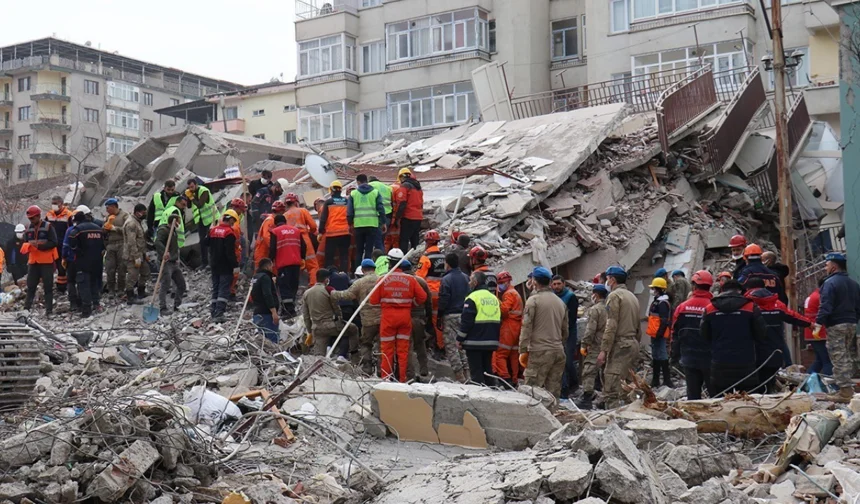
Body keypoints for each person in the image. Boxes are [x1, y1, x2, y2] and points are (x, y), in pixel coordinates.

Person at [745, 277, 811, 393]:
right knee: (770, 378)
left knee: (756, 381)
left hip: (754, 350)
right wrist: (809, 323)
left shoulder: (747, 304)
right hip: (775, 349)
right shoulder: (777, 303)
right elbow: (793, 316)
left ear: (749, 288)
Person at [701, 280, 767, 395]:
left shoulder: (710, 308)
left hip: (719, 362)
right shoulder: (751, 307)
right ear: (740, 291)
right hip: (746, 362)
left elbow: (704, 335)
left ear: (722, 291)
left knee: (720, 401)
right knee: (748, 401)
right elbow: (761, 333)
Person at [370, 250, 427, 382]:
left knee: (387, 350)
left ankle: (386, 379)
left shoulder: (383, 279)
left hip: (388, 319)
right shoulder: (411, 280)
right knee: (403, 351)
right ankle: (402, 379)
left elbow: (373, 300)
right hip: (405, 318)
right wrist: (412, 303)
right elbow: (422, 297)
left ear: (389, 262)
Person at [815, 252, 860, 401]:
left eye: (826, 265)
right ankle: (848, 388)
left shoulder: (830, 283)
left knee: (838, 356)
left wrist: (818, 323)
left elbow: (825, 305)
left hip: (836, 324)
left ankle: (845, 391)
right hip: (851, 323)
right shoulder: (854, 284)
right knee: (849, 355)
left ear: (833, 267)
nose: (825, 268)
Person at [519, 267, 568, 398]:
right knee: (553, 393)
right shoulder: (560, 302)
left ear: (534, 281)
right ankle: (551, 416)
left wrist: (522, 350)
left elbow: (526, 327)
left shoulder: (533, 300)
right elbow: (565, 331)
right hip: (558, 352)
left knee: (531, 392)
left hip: (539, 351)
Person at [598, 266, 641, 408]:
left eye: (607, 279)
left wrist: (604, 350)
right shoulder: (632, 296)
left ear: (612, 280)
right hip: (632, 344)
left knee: (611, 388)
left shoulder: (615, 296)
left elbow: (611, 325)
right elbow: (638, 327)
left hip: (621, 345)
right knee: (628, 387)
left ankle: (613, 424)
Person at [670, 270, 715, 400]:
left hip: (689, 358)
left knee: (693, 396)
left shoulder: (682, 307)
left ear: (694, 286)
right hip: (710, 359)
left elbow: (675, 334)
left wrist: (674, 356)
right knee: (715, 397)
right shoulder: (714, 307)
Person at [331, 259, 380, 375]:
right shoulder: (381, 280)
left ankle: (367, 369)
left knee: (366, 344)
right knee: (381, 345)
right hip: (383, 319)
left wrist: (333, 293)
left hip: (368, 320)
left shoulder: (360, 283)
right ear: (374, 269)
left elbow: (348, 295)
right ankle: (382, 371)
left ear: (363, 270)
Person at [302, 270, 360, 362]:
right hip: (330, 325)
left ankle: (319, 372)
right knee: (353, 329)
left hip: (316, 328)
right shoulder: (328, 290)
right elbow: (336, 308)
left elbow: (306, 315)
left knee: (319, 357)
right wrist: (340, 319)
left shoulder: (307, 293)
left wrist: (310, 332)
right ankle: (354, 357)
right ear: (326, 279)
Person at [457, 270, 501, 386]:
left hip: (475, 341)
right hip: (491, 341)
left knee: (476, 373)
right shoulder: (493, 298)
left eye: (471, 280)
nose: (469, 283)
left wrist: (459, 339)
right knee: (487, 370)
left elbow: (466, 322)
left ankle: (479, 397)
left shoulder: (472, 298)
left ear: (475, 282)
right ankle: (492, 392)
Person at [437, 252, 471, 383]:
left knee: (451, 347)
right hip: (464, 315)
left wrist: (439, 315)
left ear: (448, 264)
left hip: (450, 315)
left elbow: (444, 299)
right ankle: (468, 375)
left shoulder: (447, 279)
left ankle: (460, 377)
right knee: (462, 346)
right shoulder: (466, 278)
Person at [574, 284, 608, 410]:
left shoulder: (595, 310)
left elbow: (590, 329)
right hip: (608, 345)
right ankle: (606, 398)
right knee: (606, 372)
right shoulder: (610, 308)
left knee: (589, 370)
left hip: (596, 345)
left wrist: (584, 344)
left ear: (596, 295)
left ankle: (587, 397)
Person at [22, 205, 58, 316]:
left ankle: (49, 311)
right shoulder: (28, 227)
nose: (31, 220)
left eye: (33, 218)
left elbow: (54, 242)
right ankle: (26, 310)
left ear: (38, 216)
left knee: (48, 287)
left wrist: (39, 246)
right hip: (33, 262)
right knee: (31, 286)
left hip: (46, 262)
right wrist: (26, 246)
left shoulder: (48, 227)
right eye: (29, 218)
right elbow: (25, 240)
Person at [67, 211, 105, 318]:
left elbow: (72, 243)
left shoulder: (78, 230)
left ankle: (86, 310)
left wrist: (78, 252)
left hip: (83, 262)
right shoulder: (98, 228)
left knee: (83, 285)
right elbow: (104, 243)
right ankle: (96, 304)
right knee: (94, 283)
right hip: (97, 261)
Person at [269, 213, 305, 317]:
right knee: (293, 285)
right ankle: (290, 307)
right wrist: (302, 257)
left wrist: (270, 261)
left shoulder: (275, 231)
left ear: (276, 223)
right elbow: (303, 246)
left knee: (284, 287)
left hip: (283, 263)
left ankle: (289, 311)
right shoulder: (296, 230)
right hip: (296, 263)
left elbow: (272, 249)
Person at [208, 211, 240, 323]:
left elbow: (205, 243)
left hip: (214, 264)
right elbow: (230, 252)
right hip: (225, 266)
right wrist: (235, 265)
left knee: (216, 288)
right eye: (233, 220)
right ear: (230, 219)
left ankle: (213, 311)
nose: (233, 223)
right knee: (223, 289)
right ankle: (219, 313)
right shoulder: (229, 233)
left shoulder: (213, 231)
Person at [348, 174, 386, 267]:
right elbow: (380, 208)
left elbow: (350, 212)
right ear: (367, 181)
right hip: (372, 224)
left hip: (358, 226)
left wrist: (350, 224)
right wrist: (383, 222)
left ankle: (358, 271)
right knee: (368, 250)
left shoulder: (353, 194)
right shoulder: (375, 192)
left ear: (358, 182)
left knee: (359, 250)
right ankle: (367, 270)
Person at [492, 271, 523, 386]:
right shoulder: (515, 293)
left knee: (501, 353)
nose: (500, 285)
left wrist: (497, 302)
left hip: (509, 325)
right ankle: (514, 379)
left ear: (508, 281)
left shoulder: (509, 294)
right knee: (514, 354)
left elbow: (504, 310)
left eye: (501, 283)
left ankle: (504, 378)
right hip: (517, 326)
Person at [417, 230, 446, 349]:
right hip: (442, 293)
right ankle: (441, 345)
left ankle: (424, 343)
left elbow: (419, 277)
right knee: (438, 320)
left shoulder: (426, 258)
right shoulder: (444, 257)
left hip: (429, 294)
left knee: (422, 318)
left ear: (427, 243)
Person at [553, 275, 580, 399]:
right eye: (554, 284)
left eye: (559, 284)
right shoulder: (553, 297)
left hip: (568, 333)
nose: (557, 286)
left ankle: (574, 384)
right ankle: (564, 388)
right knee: (560, 362)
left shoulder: (570, 297)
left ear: (563, 284)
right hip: (556, 333)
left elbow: (571, 320)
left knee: (568, 361)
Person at [284, 192, 320, 286]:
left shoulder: (284, 216)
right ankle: (313, 286)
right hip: (304, 239)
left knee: (295, 266)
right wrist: (310, 232)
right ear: (296, 202)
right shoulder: (302, 211)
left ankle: (296, 288)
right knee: (312, 265)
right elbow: (313, 226)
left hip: (290, 243)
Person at [155, 213, 186, 315]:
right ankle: (162, 308)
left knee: (181, 284)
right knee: (165, 284)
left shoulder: (174, 232)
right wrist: (164, 252)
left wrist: (176, 257)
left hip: (174, 262)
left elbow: (174, 247)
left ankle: (177, 305)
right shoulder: (163, 230)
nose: (179, 223)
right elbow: (158, 242)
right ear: (174, 221)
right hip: (166, 262)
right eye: (178, 221)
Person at [186, 178, 220, 268]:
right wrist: (188, 197)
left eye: (192, 187)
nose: (191, 189)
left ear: (196, 184)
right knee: (202, 241)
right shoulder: (191, 193)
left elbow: (200, 204)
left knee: (213, 240)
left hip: (212, 218)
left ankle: (215, 261)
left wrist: (191, 197)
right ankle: (205, 263)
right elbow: (189, 206)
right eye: (189, 188)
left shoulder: (204, 191)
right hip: (201, 220)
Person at [407, 266, 433, 381]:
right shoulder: (421, 281)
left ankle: (409, 372)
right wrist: (428, 318)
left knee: (408, 345)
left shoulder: (402, 281)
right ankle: (424, 369)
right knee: (420, 344)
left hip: (406, 317)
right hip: (419, 318)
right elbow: (428, 301)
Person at [318, 180, 351, 273]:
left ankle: (330, 275)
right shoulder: (346, 201)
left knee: (329, 257)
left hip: (332, 234)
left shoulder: (328, 202)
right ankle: (344, 274)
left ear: (331, 191)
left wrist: (320, 231)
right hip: (345, 233)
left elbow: (323, 218)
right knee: (344, 256)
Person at [646, 277, 673, 388]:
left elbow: (664, 320)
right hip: (655, 333)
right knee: (656, 356)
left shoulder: (662, 303)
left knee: (662, 355)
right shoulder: (657, 301)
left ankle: (667, 380)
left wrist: (659, 333)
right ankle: (655, 380)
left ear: (659, 289)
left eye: (654, 288)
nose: (652, 290)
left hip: (659, 334)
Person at [804, 278, 832, 376]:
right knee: (827, 360)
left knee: (820, 360)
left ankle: (806, 381)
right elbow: (826, 312)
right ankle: (831, 385)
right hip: (819, 331)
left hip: (812, 330)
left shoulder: (812, 296)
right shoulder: (821, 297)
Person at [123, 204, 149, 305]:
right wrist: (136, 256)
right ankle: (130, 296)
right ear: (138, 212)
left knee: (145, 272)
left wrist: (143, 254)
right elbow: (131, 242)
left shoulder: (137, 222)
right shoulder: (131, 224)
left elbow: (140, 240)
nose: (144, 215)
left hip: (140, 253)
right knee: (133, 275)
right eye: (143, 213)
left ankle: (141, 292)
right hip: (132, 255)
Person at [45, 196, 72, 294]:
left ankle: (64, 287)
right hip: (52, 245)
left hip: (64, 244)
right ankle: (58, 286)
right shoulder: (49, 215)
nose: (54, 205)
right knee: (53, 266)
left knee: (64, 265)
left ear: (61, 203)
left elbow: (71, 230)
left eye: (56, 203)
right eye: (53, 203)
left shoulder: (68, 215)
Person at [103, 198, 129, 297]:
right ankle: (111, 290)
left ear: (114, 206)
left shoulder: (125, 216)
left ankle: (121, 289)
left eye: (108, 208)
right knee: (110, 268)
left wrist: (114, 228)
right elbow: (104, 233)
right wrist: (105, 228)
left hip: (122, 243)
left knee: (122, 267)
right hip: (110, 245)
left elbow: (128, 230)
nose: (106, 210)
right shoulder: (107, 217)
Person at [393, 168, 424, 253]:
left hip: (408, 217)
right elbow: (421, 203)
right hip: (418, 217)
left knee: (404, 240)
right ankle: (415, 258)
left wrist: (397, 219)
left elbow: (402, 203)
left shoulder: (405, 186)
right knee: (415, 240)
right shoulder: (418, 187)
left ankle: (403, 261)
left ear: (401, 177)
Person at [251, 258, 280, 344]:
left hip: (257, 313)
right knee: (272, 342)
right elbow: (267, 295)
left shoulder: (256, 277)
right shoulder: (265, 277)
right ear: (267, 266)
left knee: (263, 343)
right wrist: (274, 312)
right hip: (267, 314)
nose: (272, 268)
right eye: (271, 266)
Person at [62, 208, 85, 311]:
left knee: (71, 281)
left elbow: (65, 245)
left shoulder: (70, 230)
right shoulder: (86, 229)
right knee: (81, 280)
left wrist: (64, 257)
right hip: (83, 260)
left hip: (71, 260)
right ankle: (81, 302)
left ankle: (73, 303)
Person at [253, 200, 286, 268]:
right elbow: (266, 236)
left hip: (265, 251)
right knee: (261, 273)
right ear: (281, 211)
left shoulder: (272, 220)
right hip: (262, 251)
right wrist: (274, 248)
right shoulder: (271, 220)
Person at [368, 176, 392, 251]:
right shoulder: (387, 187)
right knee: (382, 239)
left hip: (377, 215)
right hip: (388, 214)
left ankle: (378, 258)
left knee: (377, 241)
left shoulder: (370, 186)